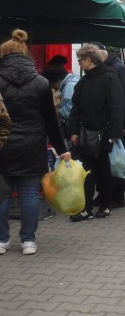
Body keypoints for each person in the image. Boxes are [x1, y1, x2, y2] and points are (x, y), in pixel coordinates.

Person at [0, 30, 71, 255]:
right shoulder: (41, 83)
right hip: (32, 144)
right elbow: (52, 121)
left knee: (2, 193)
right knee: (29, 193)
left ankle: (2, 240)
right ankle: (28, 241)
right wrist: (62, 150)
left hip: (2, 144)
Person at [67, 44, 124, 222]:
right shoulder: (84, 81)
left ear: (88, 60)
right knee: (87, 171)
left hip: (104, 133)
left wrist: (113, 134)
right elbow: (75, 108)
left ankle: (105, 204)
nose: (79, 63)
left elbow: (117, 108)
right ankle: (88, 207)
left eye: (80, 60)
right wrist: (74, 131)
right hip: (86, 133)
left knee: (103, 170)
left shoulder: (109, 78)